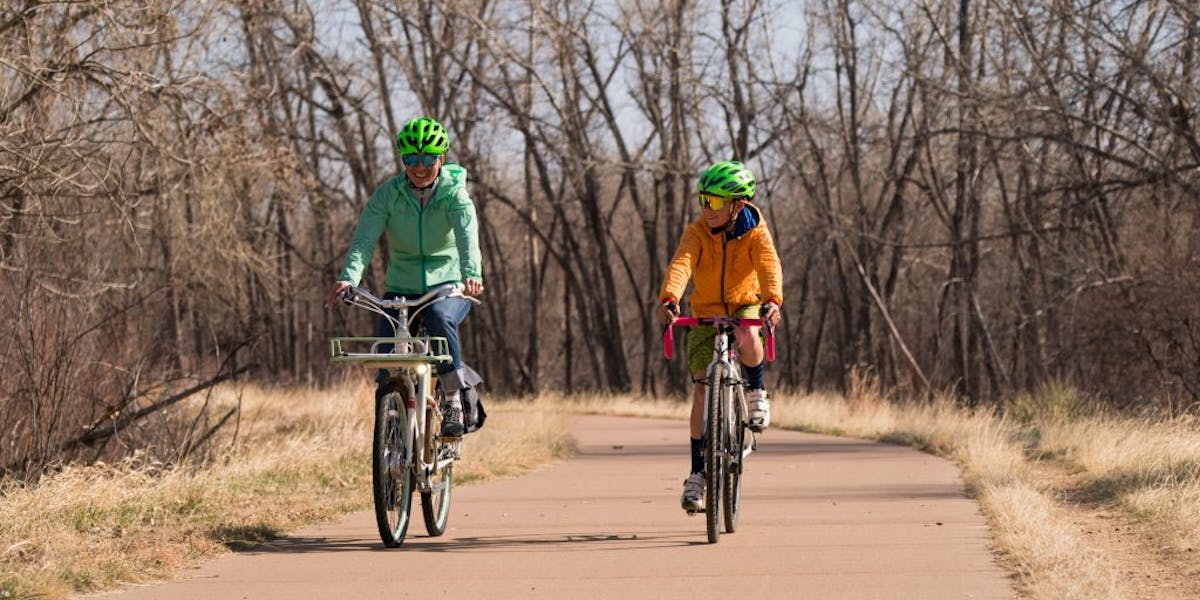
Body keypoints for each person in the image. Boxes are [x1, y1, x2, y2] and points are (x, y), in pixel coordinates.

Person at [326, 116, 484, 437]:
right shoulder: (388, 195)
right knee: (386, 357)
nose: (420, 167)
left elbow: (468, 239)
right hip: (400, 289)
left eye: (428, 159)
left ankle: (453, 396)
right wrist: (349, 278)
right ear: (403, 161)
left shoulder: (455, 195)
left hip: (448, 286)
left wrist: (472, 275)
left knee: (440, 317)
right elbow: (364, 240)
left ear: (441, 159)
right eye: (411, 159)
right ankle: (391, 426)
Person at [657, 160, 783, 513]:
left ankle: (756, 389)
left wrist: (772, 300)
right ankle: (698, 473)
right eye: (703, 200)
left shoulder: (756, 231)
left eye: (713, 202)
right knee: (701, 387)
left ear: (736, 205)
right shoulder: (696, 232)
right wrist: (670, 297)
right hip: (703, 311)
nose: (706, 209)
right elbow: (681, 264)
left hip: (743, 303)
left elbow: (769, 266)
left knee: (747, 332)